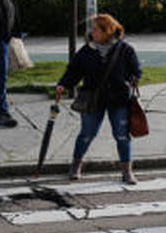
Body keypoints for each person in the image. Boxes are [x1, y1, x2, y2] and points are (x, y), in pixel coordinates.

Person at [55, 14, 142, 184]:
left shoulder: (124, 49)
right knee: (87, 134)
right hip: (93, 99)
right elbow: (73, 71)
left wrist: (134, 78)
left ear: (107, 30)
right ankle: (75, 166)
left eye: (95, 29)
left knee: (122, 135)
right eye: (92, 28)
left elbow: (136, 69)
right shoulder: (87, 50)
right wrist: (63, 84)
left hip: (119, 99)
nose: (91, 32)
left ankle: (127, 171)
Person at [0, 0, 18, 128]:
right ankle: (2, 112)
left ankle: (2, 110)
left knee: (2, 74)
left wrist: (16, 31)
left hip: (5, 34)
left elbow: (12, 4)